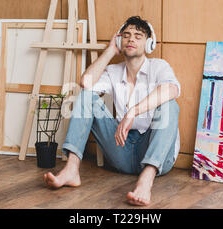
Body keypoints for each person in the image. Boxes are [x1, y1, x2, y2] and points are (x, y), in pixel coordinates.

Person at [43, 16, 181, 206]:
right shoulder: (114, 71)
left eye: (138, 36)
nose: (131, 39)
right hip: (122, 150)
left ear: (149, 44)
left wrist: (133, 111)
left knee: (170, 105)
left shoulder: (159, 67)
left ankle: (145, 181)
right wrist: (109, 51)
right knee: (86, 95)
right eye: (126, 35)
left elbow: (172, 89)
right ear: (119, 40)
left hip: (157, 157)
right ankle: (71, 170)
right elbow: (86, 83)